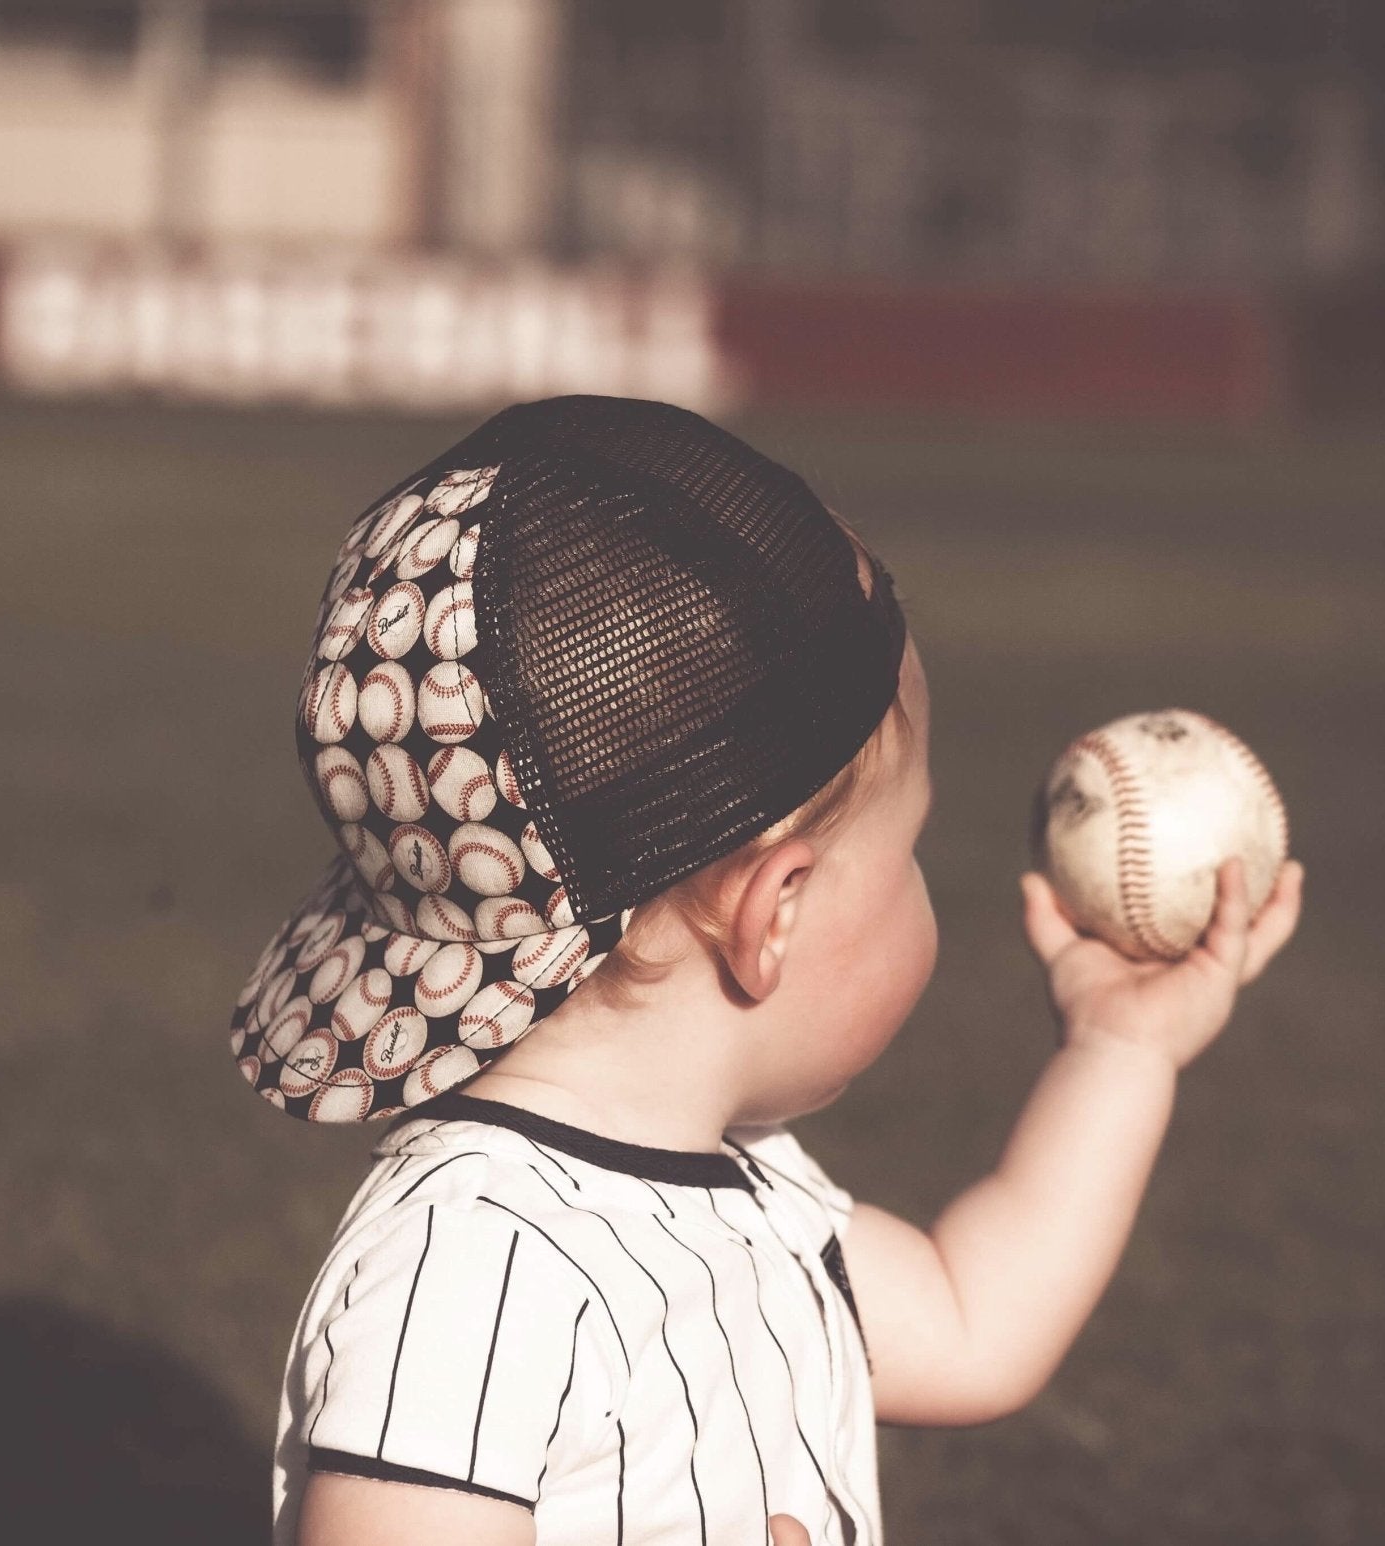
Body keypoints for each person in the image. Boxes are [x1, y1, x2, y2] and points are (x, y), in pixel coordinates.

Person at [228, 396, 1304, 1546]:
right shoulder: (473, 1265)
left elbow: (974, 1319)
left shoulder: (755, 1197)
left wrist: (1118, 1050)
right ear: (772, 911)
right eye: (909, 852)